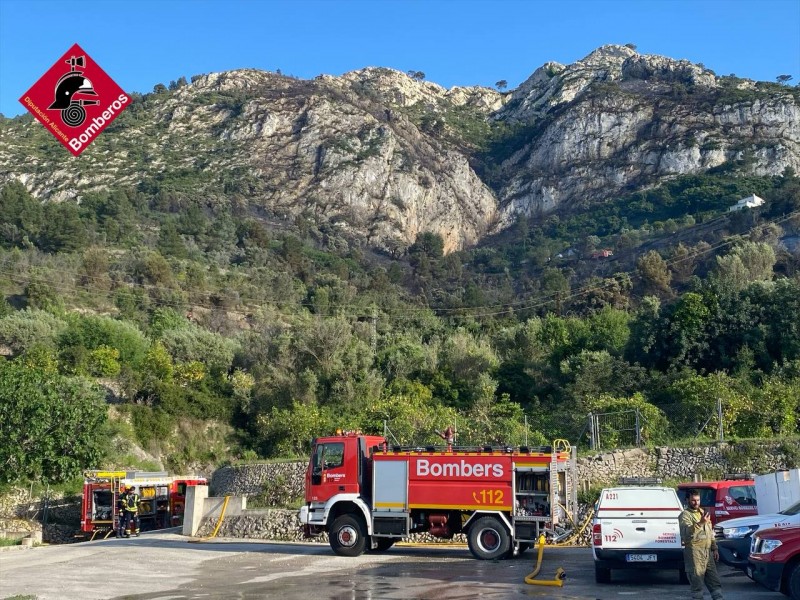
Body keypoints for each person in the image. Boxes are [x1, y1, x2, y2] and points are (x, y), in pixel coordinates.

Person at [679, 489, 723, 600]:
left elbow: (710, 532)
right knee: (697, 584)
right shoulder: (685, 515)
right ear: (687, 500)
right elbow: (686, 533)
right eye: (693, 500)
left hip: (707, 553)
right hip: (695, 554)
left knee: (715, 582)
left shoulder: (703, 512)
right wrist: (700, 523)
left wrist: (715, 548)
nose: (696, 503)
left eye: (698, 500)